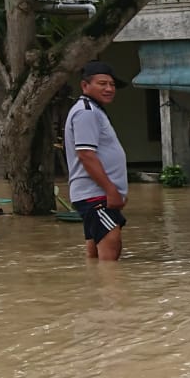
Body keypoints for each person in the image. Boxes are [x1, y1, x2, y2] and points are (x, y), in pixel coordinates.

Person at [64, 61, 130, 260]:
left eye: (112, 85)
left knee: (95, 258)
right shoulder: (86, 112)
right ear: (85, 85)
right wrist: (111, 191)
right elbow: (86, 154)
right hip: (97, 195)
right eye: (102, 84)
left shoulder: (92, 110)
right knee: (110, 258)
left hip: (94, 195)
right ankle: (111, 291)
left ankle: (95, 290)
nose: (109, 89)